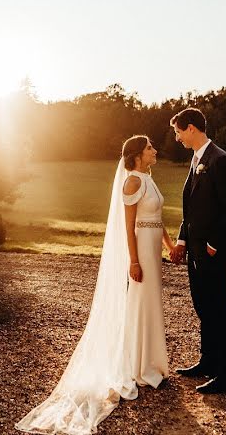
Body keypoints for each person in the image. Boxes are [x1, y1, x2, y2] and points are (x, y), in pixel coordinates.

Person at [16, 135, 173, 435]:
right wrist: (134, 261)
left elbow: (157, 217)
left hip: (153, 250)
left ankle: (151, 362)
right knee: (140, 305)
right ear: (138, 155)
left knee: (151, 305)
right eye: (150, 148)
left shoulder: (149, 180)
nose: (155, 150)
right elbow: (129, 226)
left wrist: (168, 245)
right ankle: (139, 368)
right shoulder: (132, 183)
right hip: (141, 251)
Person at [168, 107, 226, 394]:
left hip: (211, 251)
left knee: (220, 310)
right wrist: (183, 240)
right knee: (203, 307)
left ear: (190, 128)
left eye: (178, 132)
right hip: (196, 251)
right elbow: (191, 209)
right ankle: (209, 361)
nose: (176, 138)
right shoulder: (196, 159)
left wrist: (213, 244)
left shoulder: (219, 160)